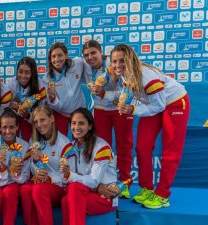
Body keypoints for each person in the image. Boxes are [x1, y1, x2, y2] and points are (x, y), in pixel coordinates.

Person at [113, 44, 190, 209]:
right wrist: (124, 100)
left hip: (175, 103)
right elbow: (136, 94)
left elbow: (159, 106)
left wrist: (133, 109)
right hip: (156, 104)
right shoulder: (124, 74)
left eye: (122, 61)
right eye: (114, 61)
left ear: (130, 60)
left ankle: (162, 195)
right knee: (142, 147)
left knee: (170, 150)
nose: (118, 65)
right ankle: (147, 189)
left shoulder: (147, 77)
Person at [58, 107, 119, 225]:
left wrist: (73, 177)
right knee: (66, 199)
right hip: (83, 194)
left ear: (90, 126)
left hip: (106, 198)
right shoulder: (69, 148)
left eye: (81, 123)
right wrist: (69, 177)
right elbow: (68, 182)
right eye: (73, 123)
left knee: (74, 191)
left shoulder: (101, 147)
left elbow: (92, 181)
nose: (76, 127)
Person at [20, 105, 71, 225]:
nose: (40, 124)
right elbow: (32, 170)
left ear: (52, 119)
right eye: (36, 121)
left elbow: (68, 176)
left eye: (43, 120)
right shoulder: (34, 141)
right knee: (25, 190)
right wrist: (35, 162)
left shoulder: (64, 143)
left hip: (58, 188)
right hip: (40, 186)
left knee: (38, 190)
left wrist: (50, 178)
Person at [82, 40, 134, 198]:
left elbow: (127, 92)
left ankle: (124, 183)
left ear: (101, 53)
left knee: (124, 146)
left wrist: (105, 94)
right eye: (86, 55)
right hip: (101, 111)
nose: (90, 57)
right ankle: (106, 183)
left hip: (121, 110)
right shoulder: (84, 67)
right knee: (103, 149)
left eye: (93, 53)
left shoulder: (115, 64)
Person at [42, 42, 85, 136]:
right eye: (53, 56)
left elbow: (90, 61)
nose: (56, 59)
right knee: (60, 141)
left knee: (82, 140)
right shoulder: (47, 78)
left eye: (60, 55)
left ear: (66, 55)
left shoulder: (77, 64)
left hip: (79, 111)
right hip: (61, 114)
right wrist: (53, 99)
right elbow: (51, 104)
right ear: (50, 59)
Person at [8, 56, 46, 141]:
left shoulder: (41, 87)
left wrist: (27, 115)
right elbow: (9, 106)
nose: (23, 76)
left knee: (31, 145)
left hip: (33, 121)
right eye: (20, 72)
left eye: (27, 72)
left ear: (33, 73)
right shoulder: (13, 83)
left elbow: (42, 112)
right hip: (17, 119)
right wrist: (15, 108)